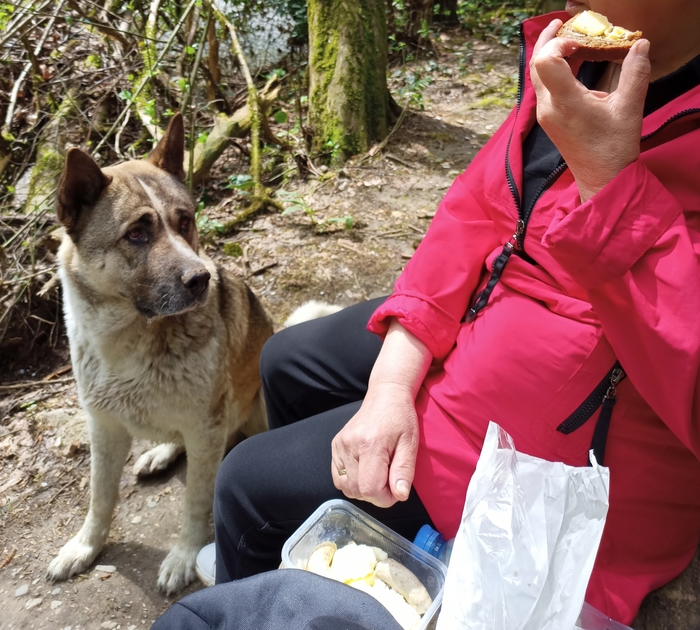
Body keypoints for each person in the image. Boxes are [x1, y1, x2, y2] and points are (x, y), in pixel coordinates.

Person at [182, 1, 700, 626]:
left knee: (246, 485)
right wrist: (392, 380)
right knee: (287, 362)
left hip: (559, 465)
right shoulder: (582, 50)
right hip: (494, 309)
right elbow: (480, 207)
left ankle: (286, 577)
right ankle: (333, 554)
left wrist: (610, 183)